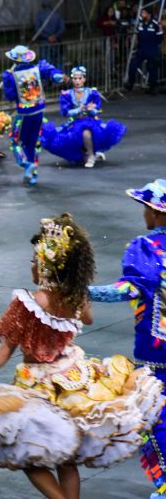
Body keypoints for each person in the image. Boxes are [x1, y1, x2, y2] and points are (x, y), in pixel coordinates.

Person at [0, 214, 165, 496]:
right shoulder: (76, 298)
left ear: (46, 266)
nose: (32, 266)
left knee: (28, 454)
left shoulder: (32, 302)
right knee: (66, 458)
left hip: (38, 383)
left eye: (35, 261)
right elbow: (89, 319)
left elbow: (6, 347)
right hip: (73, 377)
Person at [88, 179, 166, 497]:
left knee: (154, 419)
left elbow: (129, 289)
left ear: (154, 211)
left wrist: (86, 291)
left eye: (145, 208)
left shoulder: (145, 248)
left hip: (156, 357)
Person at [41, 66, 126, 168]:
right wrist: (78, 110)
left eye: (80, 78)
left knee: (86, 132)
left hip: (90, 122)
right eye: (75, 78)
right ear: (72, 79)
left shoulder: (91, 93)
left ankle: (91, 155)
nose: (77, 81)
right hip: (75, 122)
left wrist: (91, 110)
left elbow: (97, 111)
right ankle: (87, 154)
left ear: (84, 79)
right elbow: (65, 112)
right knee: (72, 137)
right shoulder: (67, 94)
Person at [2, 45, 64, 186]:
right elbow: (53, 73)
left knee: (16, 140)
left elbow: (10, 96)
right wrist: (57, 76)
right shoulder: (37, 69)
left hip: (24, 113)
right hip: (39, 112)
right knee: (33, 142)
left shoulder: (11, 75)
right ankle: (33, 173)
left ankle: (25, 164)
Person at [126, 9, 163, 94]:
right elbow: (138, 34)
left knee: (152, 68)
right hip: (141, 49)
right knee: (133, 64)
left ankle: (153, 87)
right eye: (142, 13)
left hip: (152, 49)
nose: (142, 14)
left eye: (144, 13)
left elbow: (160, 38)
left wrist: (153, 45)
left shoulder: (156, 24)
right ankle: (130, 83)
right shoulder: (140, 24)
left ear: (149, 14)